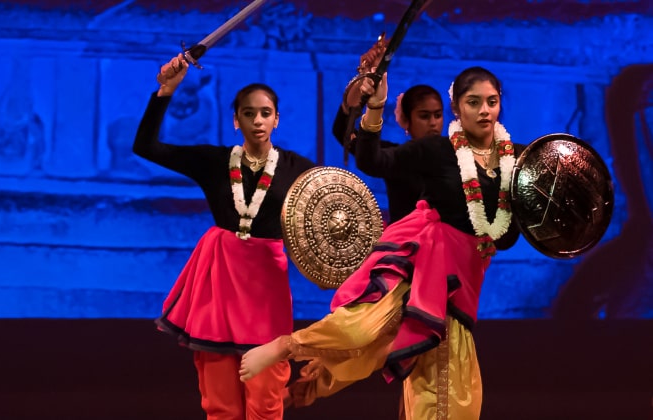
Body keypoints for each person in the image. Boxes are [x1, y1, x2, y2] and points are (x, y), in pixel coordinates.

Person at [239, 66, 525, 420]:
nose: (484, 110)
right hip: (412, 269)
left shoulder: (514, 159)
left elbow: (511, 230)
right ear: (459, 108)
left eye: (491, 102)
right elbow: (371, 158)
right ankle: (289, 348)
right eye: (474, 102)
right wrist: (373, 106)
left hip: (460, 283)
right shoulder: (436, 151)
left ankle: (314, 380)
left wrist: (493, 237)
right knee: (361, 332)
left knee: (456, 398)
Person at [133, 53, 316, 419]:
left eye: (265, 112)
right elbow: (146, 147)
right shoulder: (215, 161)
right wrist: (166, 90)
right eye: (249, 113)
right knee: (221, 404)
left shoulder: (300, 169)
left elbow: (331, 213)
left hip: (266, 289)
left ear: (277, 119)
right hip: (219, 284)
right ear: (236, 121)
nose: (258, 120)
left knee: (266, 400)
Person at [332, 40, 445, 225]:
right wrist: (365, 79)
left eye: (438, 115)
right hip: (405, 250)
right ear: (406, 121)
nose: (433, 123)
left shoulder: (456, 155)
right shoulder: (397, 158)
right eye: (424, 116)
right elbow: (343, 132)